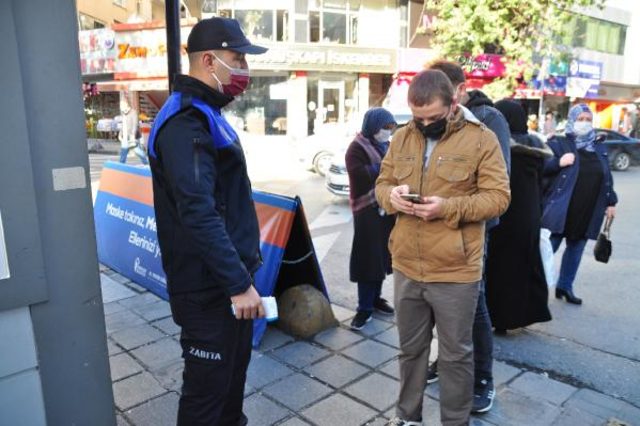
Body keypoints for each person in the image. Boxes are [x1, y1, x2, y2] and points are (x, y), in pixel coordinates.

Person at [146, 17, 267, 425]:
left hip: (226, 284)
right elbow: (197, 210)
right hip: (210, 291)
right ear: (210, 61)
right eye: (239, 60)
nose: (245, 71)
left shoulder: (205, 111)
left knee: (230, 388)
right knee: (206, 398)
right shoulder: (186, 122)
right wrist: (238, 284)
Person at [376, 69, 510, 426]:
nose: (424, 125)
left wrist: (446, 208)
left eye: (432, 118)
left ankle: (454, 421)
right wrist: (392, 196)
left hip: (455, 269)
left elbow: (499, 198)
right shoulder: (403, 136)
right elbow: (382, 183)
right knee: (410, 351)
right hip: (406, 264)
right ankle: (407, 418)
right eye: (417, 118)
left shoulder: (482, 139)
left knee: (455, 357)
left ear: (454, 103)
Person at [426, 60, 511, 413]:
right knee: (435, 304)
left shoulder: (489, 121)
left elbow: (497, 194)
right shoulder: (432, 121)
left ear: (460, 90)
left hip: (469, 235)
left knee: (472, 307)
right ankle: (444, 361)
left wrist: (447, 205)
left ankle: (482, 380)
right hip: (428, 230)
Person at [485, 99, 553, 333]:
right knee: (525, 266)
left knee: (501, 270)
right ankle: (523, 316)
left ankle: (501, 320)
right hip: (530, 216)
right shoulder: (536, 147)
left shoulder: (500, 145)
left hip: (505, 217)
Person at [542, 103, 618, 305]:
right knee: (548, 250)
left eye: (588, 119)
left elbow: (606, 176)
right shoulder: (559, 143)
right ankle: (535, 288)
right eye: (580, 119)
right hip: (563, 207)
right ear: (571, 120)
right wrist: (558, 163)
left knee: (576, 249)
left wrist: (611, 201)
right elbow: (541, 168)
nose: (584, 123)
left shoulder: (598, 145)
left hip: (589, 208)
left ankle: (565, 286)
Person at [346, 107, 397, 330]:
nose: (388, 131)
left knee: (382, 258)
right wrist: (388, 169)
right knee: (368, 258)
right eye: (384, 127)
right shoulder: (356, 147)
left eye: (390, 127)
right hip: (367, 210)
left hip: (386, 209)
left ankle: (376, 299)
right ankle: (363, 308)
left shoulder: (386, 145)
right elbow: (361, 174)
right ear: (373, 126)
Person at [118, 98, 148, 165]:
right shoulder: (124, 113)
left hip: (132, 137)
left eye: (122, 105)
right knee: (123, 156)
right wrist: (120, 134)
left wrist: (133, 135)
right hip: (125, 138)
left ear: (126, 104)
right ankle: (120, 169)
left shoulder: (133, 112)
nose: (120, 107)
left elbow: (135, 124)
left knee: (139, 152)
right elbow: (123, 125)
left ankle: (147, 165)